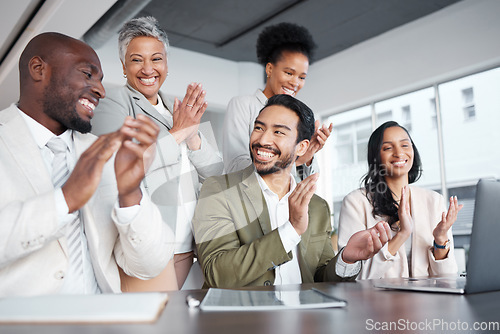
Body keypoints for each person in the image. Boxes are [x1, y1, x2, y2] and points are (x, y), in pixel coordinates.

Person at [0, 32, 174, 296]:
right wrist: (66, 199)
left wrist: (131, 194)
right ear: (38, 69)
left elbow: (148, 266)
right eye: (87, 74)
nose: (100, 91)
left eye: (101, 80)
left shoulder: (104, 153)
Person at [193, 94, 392, 288]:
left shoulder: (316, 206)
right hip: (244, 317)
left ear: (302, 147)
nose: (262, 140)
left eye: (278, 132)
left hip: (304, 317)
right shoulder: (218, 190)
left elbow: (321, 277)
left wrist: (347, 258)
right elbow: (217, 273)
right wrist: (292, 229)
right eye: (259, 128)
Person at [92, 16, 223, 290]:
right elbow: (119, 167)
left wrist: (193, 134)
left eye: (156, 59)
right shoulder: (114, 102)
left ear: (166, 64)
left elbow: (214, 172)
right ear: (124, 67)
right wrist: (178, 133)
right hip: (149, 245)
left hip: (189, 245)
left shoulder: (177, 109)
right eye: (137, 59)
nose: (148, 68)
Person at [338, 121, 461, 279]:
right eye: (388, 148)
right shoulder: (356, 202)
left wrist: (440, 238)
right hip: (377, 301)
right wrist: (402, 234)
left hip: (427, 301)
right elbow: (353, 276)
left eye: (405, 145)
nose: (399, 153)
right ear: (376, 156)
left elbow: (447, 277)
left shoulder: (434, 200)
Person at [222, 22, 332, 180]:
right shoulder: (243, 105)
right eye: (289, 73)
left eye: (302, 77)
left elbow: (307, 186)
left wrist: (307, 155)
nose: (295, 83)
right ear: (269, 69)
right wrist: (295, 160)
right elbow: (235, 167)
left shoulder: (298, 117)